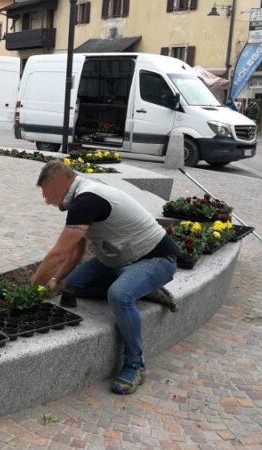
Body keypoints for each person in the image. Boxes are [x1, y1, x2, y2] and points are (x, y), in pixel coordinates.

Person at [31, 160, 177, 395]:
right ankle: (142, 287)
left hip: (157, 259)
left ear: (61, 182)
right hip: (120, 259)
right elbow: (76, 252)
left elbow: (59, 254)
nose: (46, 200)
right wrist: (56, 281)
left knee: (119, 295)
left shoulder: (87, 200)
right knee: (74, 285)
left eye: (47, 193)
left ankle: (135, 364)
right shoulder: (81, 197)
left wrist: (32, 289)